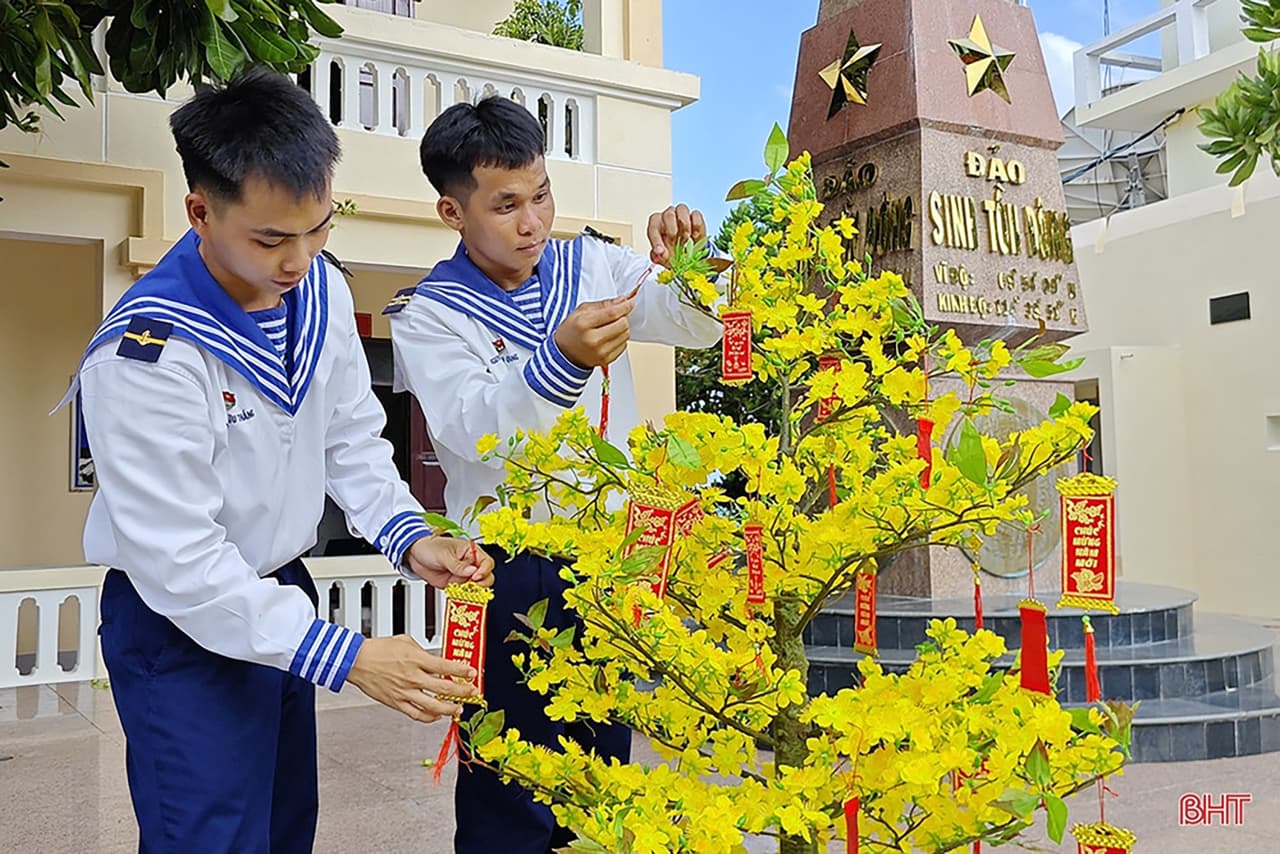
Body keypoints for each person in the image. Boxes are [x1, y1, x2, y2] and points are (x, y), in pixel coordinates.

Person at [60, 68, 494, 853]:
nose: (299, 259)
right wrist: (351, 655)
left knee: (284, 825)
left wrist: (408, 535)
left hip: (279, 593)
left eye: (319, 227)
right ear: (200, 210)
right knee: (211, 838)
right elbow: (182, 561)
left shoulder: (318, 293)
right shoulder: (147, 353)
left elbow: (350, 438)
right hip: (176, 622)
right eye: (270, 238)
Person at [387, 95, 723, 853]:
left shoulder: (593, 264)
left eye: (540, 194)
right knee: (508, 784)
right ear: (452, 211)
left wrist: (691, 262)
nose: (532, 220)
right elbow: (471, 434)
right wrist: (561, 360)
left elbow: (695, 326)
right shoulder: (431, 314)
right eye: (505, 205)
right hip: (505, 571)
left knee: (601, 768)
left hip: (609, 563)